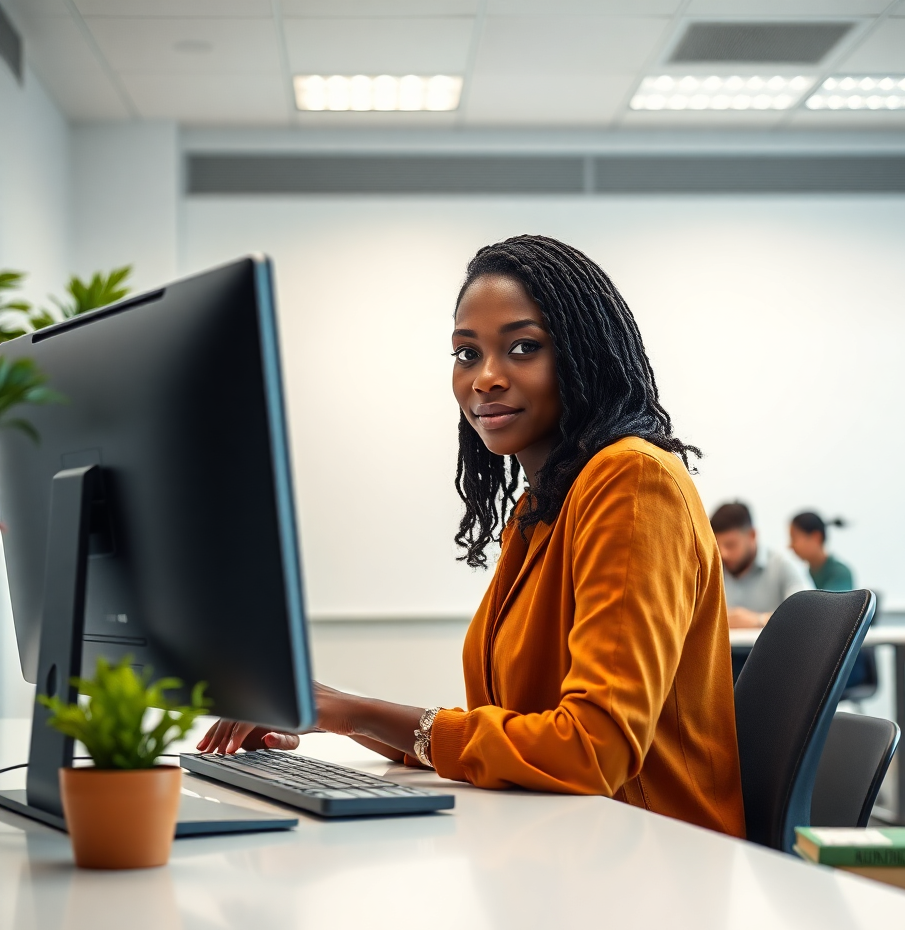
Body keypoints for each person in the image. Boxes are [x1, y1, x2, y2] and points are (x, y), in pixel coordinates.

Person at [199, 235, 746, 836]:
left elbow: (592, 750)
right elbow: (514, 731)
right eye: (467, 354)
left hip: (658, 863)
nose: (485, 378)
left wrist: (354, 710)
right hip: (570, 844)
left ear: (584, 354)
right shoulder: (543, 507)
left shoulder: (633, 481)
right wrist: (336, 715)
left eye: (523, 347)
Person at [710, 501, 811, 629]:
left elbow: (808, 616)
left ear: (752, 535)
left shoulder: (783, 565)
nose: (723, 554)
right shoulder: (712, 570)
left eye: (731, 545)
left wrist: (758, 620)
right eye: (717, 546)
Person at [789, 512, 854, 592]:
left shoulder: (841, 573)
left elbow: (829, 603)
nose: (790, 546)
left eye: (794, 539)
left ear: (816, 537)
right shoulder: (809, 574)